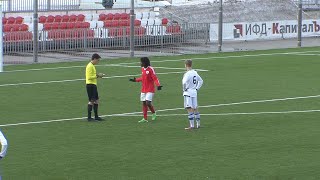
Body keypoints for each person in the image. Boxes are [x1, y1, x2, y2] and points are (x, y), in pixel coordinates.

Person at [129, 57, 162, 123]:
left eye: (141, 62)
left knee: (148, 103)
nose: (140, 63)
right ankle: (145, 118)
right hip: (144, 89)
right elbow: (143, 78)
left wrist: (158, 85)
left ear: (145, 62)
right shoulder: (143, 69)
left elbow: (155, 78)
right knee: (144, 103)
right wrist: (136, 80)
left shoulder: (150, 69)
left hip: (150, 89)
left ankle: (153, 113)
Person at [182, 59, 203, 130]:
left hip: (188, 93)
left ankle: (191, 126)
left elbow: (184, 83)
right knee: (195, 108)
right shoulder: (195, 72)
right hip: (194, 92)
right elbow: (201, 81)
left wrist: (184, 89)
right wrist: (197, 88)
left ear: (186, 65)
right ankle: (198, 124)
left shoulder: (187, 74)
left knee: (189, 109)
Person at [86, 53, 105, 121]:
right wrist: (98, 76)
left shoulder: (92, 65)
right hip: (90, 85)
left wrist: (98, 75)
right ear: (94, 59)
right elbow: (89, 77)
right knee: (91, 101)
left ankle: (96, 116)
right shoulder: (90, 66)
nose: (98, 62)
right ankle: (89, 117)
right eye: (98, 60)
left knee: (96, 100)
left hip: (93, 85)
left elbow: (92, 75)